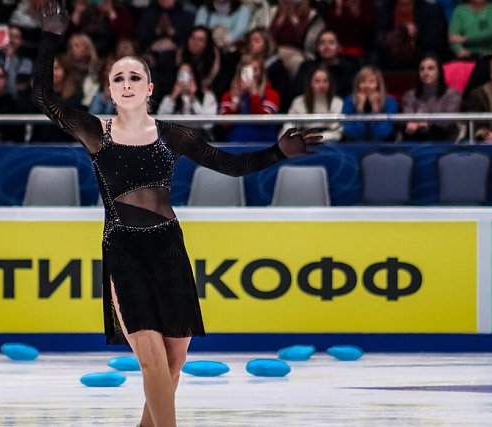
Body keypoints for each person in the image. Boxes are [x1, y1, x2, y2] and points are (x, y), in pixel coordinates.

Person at [32, 1, 320, 426]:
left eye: (135, 77)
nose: (127, 84)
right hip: (124, 249)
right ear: (109, 89)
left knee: (172, 364)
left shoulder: (175, 135)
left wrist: (279, 151)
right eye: (118, 78)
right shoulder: (95, 131)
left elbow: (232, 166)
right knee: (150, 362)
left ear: (149, 88)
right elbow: (43, 97)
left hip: (169, 247)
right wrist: (50, 38)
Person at [219, 55, 281, 142]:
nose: (251, 74)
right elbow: (224, 124)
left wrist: (254, 94)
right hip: (236, 145)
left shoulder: (272, 95)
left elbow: (262, 121)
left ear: (261, 74)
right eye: (247, 70)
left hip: (264, 145)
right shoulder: (228, 95)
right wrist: (236, 100)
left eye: (255, 70)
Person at [401, 55, 462, 141]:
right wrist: (412, 126)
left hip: (445, 140)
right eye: (422, 69)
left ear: (439, 72)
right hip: (417, 140)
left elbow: (448, 122)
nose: (425, 72)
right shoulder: (409, 96)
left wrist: (428, 122)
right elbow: (408, 120)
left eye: (431, 68)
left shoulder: (453, 95)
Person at [281, 66, 343, 141]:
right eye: (317, 81)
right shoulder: (298, 102)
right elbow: (288, 127)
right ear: (310, 83)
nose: (322, 85)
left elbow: (337, 133)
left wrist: (316, 137)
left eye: (325, 81)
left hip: (328, 145)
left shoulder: (337, 102)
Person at [157, 62, 218, 138]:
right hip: (175, 140)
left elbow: (207, 125)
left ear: (195, 76)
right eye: (181, 74)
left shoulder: (208, 97)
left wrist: (193, 99)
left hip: (200, 141)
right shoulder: (169, 98)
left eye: (188, 74)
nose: (185, 78)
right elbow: (160, 122)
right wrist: (173, 97)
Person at [341, 66, 398, 142]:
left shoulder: (389, 101)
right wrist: (360, 109)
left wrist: (375, 108)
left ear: (378, 85)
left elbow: (381, 134)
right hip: (354, 148)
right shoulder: (349, 101)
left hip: (383, 148)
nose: (367, 86)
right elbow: (356, 135)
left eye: (371, 82)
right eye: (363, 82)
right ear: (357, 84)